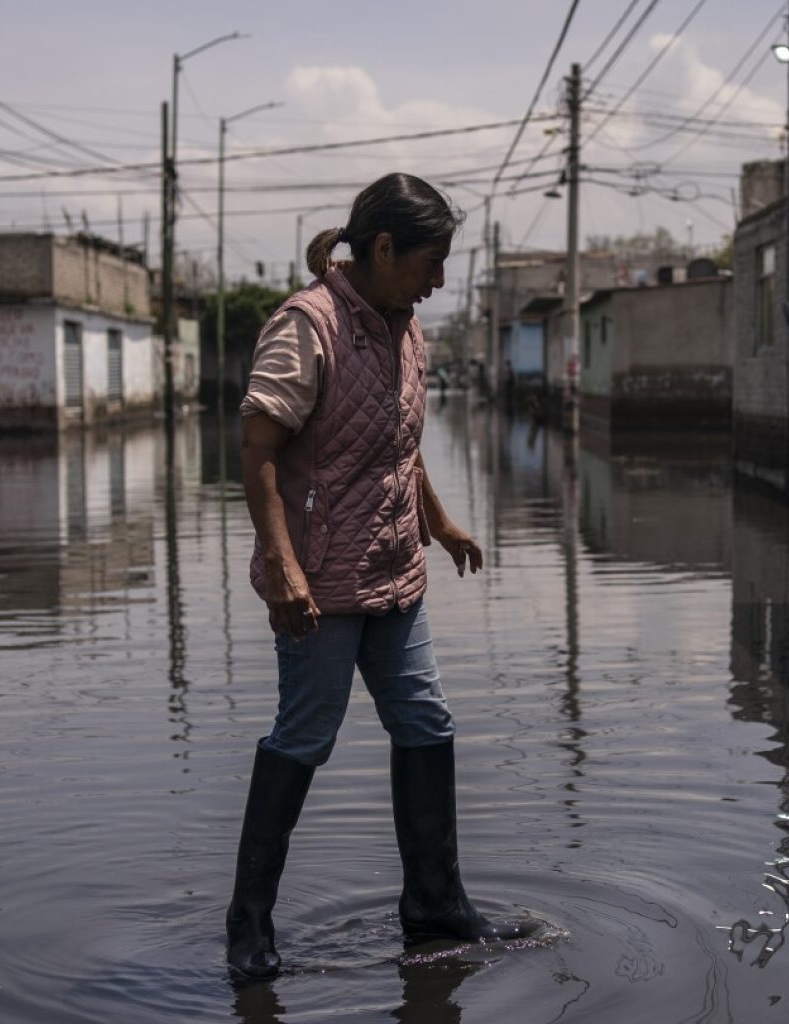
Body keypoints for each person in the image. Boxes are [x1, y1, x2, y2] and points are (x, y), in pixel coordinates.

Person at [226, 173, 536, 980]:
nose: (438, 283)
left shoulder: (405, 328)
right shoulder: (308, 326)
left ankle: (436, 906)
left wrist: (439, 521)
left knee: (427, 723)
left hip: (396, 571)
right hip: (321, 582)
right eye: (430, 264)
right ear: (384, 247)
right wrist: (284, 566)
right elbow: (259, 450)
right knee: (307, 735)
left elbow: (397, 441)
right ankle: (249, 925)